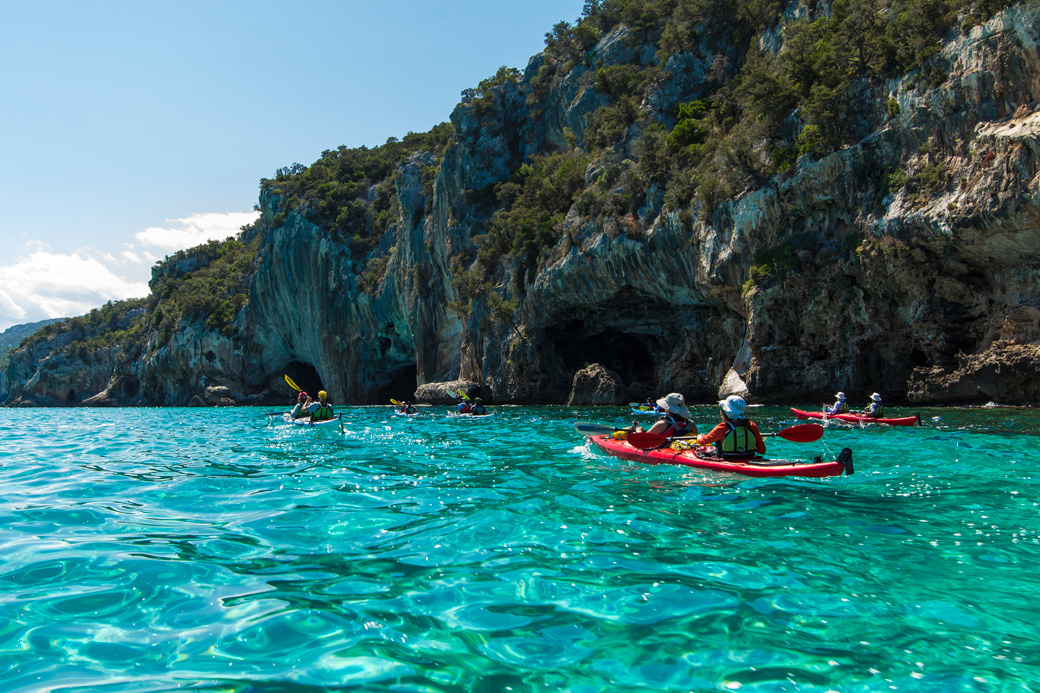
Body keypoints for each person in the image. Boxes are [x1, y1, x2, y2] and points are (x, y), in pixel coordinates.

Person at [696, 395, 766, 458]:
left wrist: (699, 437)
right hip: (748, 457)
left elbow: (704, 441)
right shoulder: (752, 425)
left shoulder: (723, 427)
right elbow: (762, 450)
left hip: (728, 459)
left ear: (724, 412)